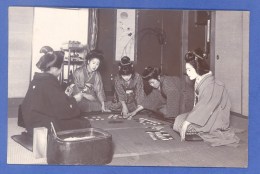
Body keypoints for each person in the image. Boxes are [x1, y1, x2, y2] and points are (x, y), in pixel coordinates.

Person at [173, 48, 240, 146]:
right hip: (204, 115)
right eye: (186, 70)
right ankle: (189, 127)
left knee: (185, 126)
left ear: (198, 68)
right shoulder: (200, 80)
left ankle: (193, 130)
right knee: (178, 119)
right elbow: (200, 106)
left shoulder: (212, 85)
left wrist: (187, 122)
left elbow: (205, 107)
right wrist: (188, 120)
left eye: (189, 69)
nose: (187, 73)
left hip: (216, 118)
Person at [21, 46, 91, 134]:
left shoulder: (38, 79)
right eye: (61, 67)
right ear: (54, 69)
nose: (61, 70)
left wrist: (65, 96)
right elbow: (62, 111)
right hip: (43, 124)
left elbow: (49, 103)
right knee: (84, 123)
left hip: (31, 121)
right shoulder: (49, 82)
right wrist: (75, 100)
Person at [127, 66, 194, 119]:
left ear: (158, 77)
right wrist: (135, 112)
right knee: (160, 110)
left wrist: (171, 118)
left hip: (188, 98)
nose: (151, 85)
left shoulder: (167, 83)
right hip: (179, 98)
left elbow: (173, 101)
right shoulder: (159, 84)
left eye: (152, 82)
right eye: (149, 83)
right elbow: (149, 100)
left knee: (169, 114)